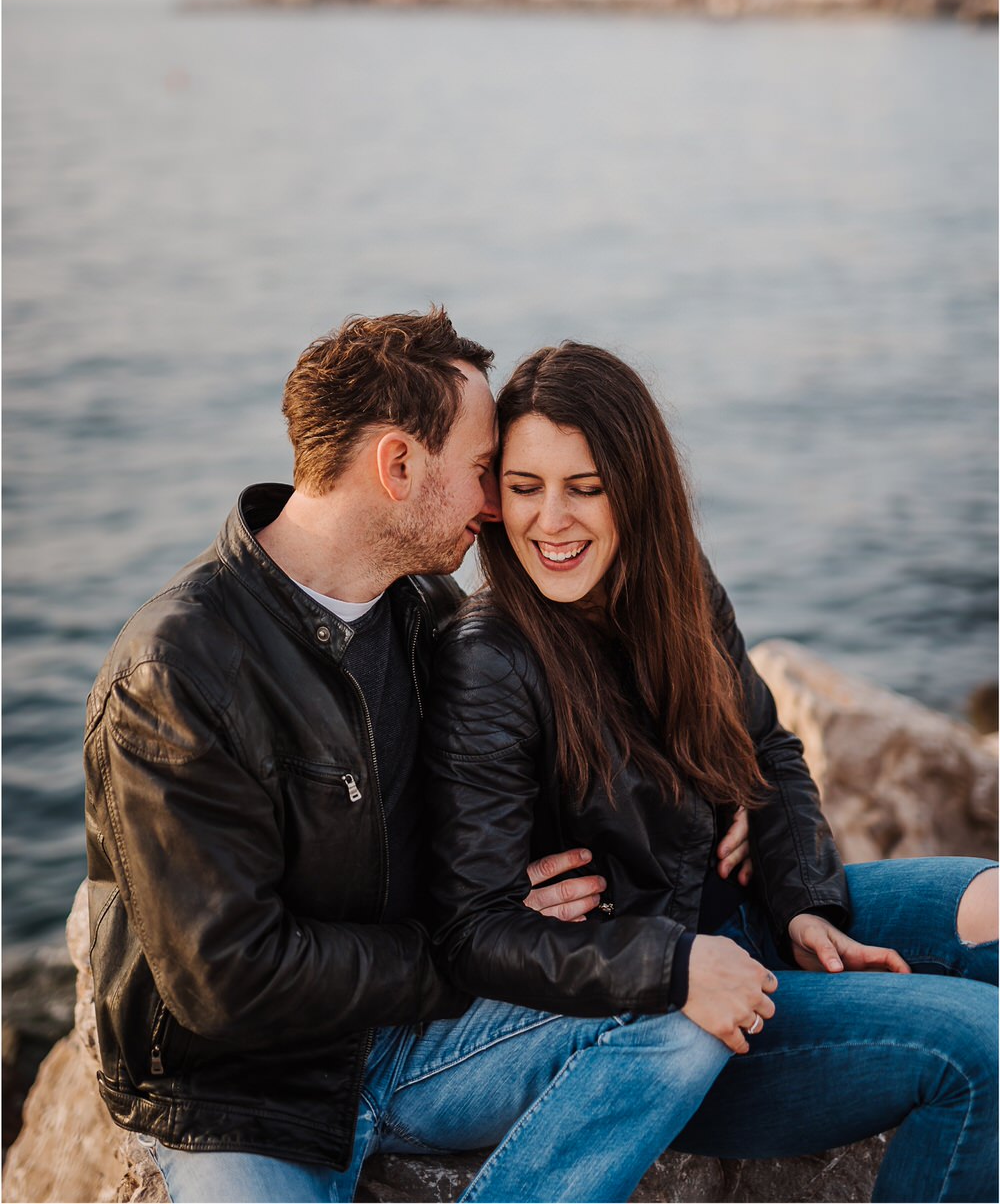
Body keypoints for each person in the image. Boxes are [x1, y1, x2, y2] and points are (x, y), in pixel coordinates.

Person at [83, 308, 753, 1204]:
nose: (496, 505)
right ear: (398, 466)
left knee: (671, 1016)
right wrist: (465, 950)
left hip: (417, 1043)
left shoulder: (425, 616)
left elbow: (521, 777)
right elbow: (227, 980)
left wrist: (720, 792)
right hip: (241, 1096)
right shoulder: (177, 671)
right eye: (485, 472)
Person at [425, 341, 998, 1204]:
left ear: (637, 485)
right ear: (496, 497)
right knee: (981, 1050)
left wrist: (806, 900)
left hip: (763, 919)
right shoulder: (491, 659)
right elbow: (479, 931)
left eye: (586, 486)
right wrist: (680, 959)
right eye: (524, 487)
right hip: (679, 1009)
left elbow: (769, 750)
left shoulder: (678, 584)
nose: (553, 520)